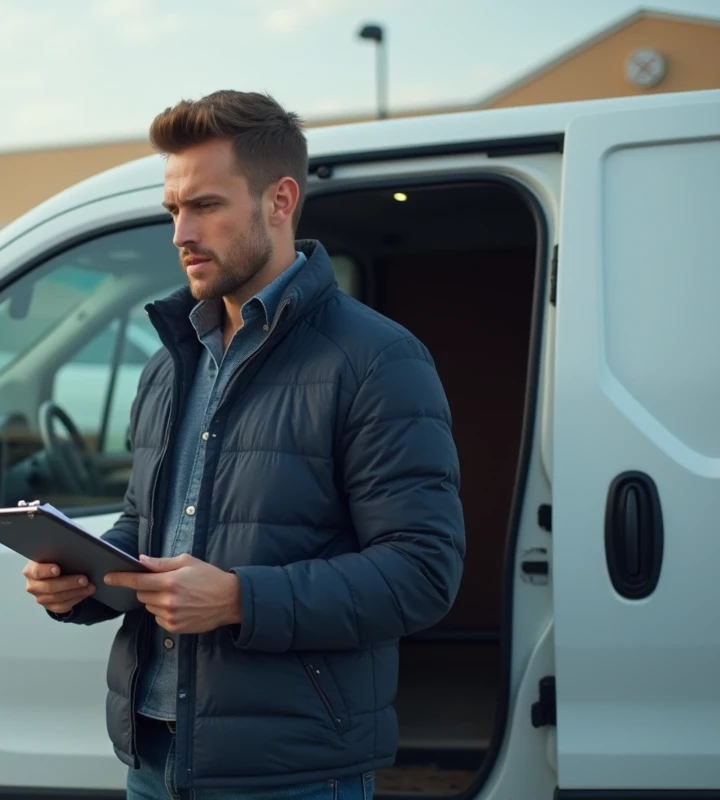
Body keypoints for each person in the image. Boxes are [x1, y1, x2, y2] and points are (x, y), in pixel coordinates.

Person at [23, 90, 465, 799]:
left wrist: (238, 599)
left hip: (292, 772)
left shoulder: (378, 359)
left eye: (206, 206)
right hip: (153, 757)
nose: (180, 232)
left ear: (279, 201)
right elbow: (147, 529)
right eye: (173, 210)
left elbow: (423, 572)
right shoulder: (171, 362)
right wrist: (81, 582)